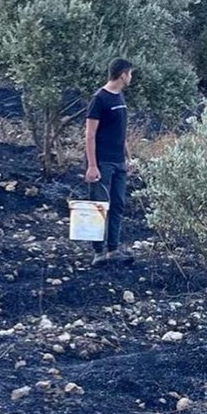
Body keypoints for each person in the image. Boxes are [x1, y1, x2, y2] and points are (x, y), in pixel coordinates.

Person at [84, 58, 133, 266]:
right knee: (99, 206)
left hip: (119, 161)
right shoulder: (100, 99)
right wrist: (92, 165)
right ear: (122, 74)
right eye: (130, 73)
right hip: (103, 162)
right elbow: (90, 134)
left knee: (118, 204)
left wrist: (128, 157)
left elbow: (121, 132)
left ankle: (114, 249)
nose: (131, 77)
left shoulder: (120, 97)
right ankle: (98, 252)